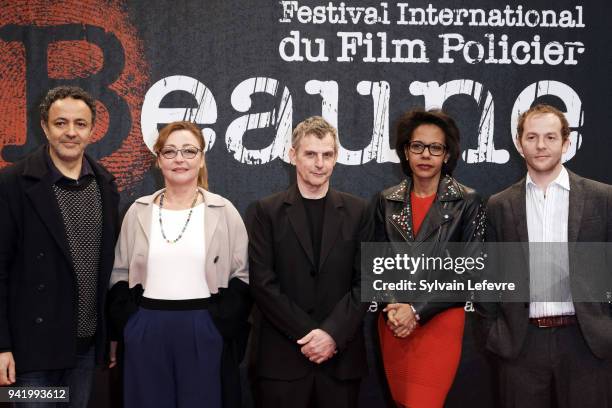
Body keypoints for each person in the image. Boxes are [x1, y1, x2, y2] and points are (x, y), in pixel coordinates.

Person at [109, 121, 250, 408]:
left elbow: (242, 276)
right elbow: (120, 273)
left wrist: (218, 323)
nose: (179, 159)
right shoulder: (138, 211)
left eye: (189, 151)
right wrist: (131, 323)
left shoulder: (224, 211)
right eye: (170, 151)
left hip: (204, 327)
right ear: (158, 159)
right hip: (146, 326)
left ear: (201, 159)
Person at [482, 104, 612, 407]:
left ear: (567, 143)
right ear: (519, 143)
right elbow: (488, 275)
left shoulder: (603, 199)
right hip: (521, 344)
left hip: (587, 342)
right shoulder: (499, 205)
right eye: (532, 137)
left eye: (551, 137)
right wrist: (494, 333)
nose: (541, 145)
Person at [0, 86, 119, 407]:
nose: (70, 132)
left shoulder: (105, 185)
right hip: (30, 354)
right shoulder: (13, 183)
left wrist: (108, 335)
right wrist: (1, 346)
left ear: (92, 130)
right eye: (60, 123)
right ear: (44, 127)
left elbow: (106, 270)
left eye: (80, 124)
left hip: (82, 349)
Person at [248, 116, 370, 408]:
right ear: (293, 156)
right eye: (310, 154)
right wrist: (310, 334)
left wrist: (331, 335)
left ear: (336, 157)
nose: (319, 163)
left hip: (340, 361)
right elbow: (262, 283)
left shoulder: (359, 211)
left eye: (327, 154)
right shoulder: (266, 211)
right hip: (282, 361)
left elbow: (366, 281)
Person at [372, 108, 486, 408]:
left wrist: (418, 310)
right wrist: (393, 308)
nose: (426, 155)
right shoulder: (386, 200)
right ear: (405, 152)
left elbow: (470, 271)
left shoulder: (468, 200)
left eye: (435, 147)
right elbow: (375, 266)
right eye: (417, 146)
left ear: (447, 155)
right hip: (394, 323)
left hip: (440, 323)